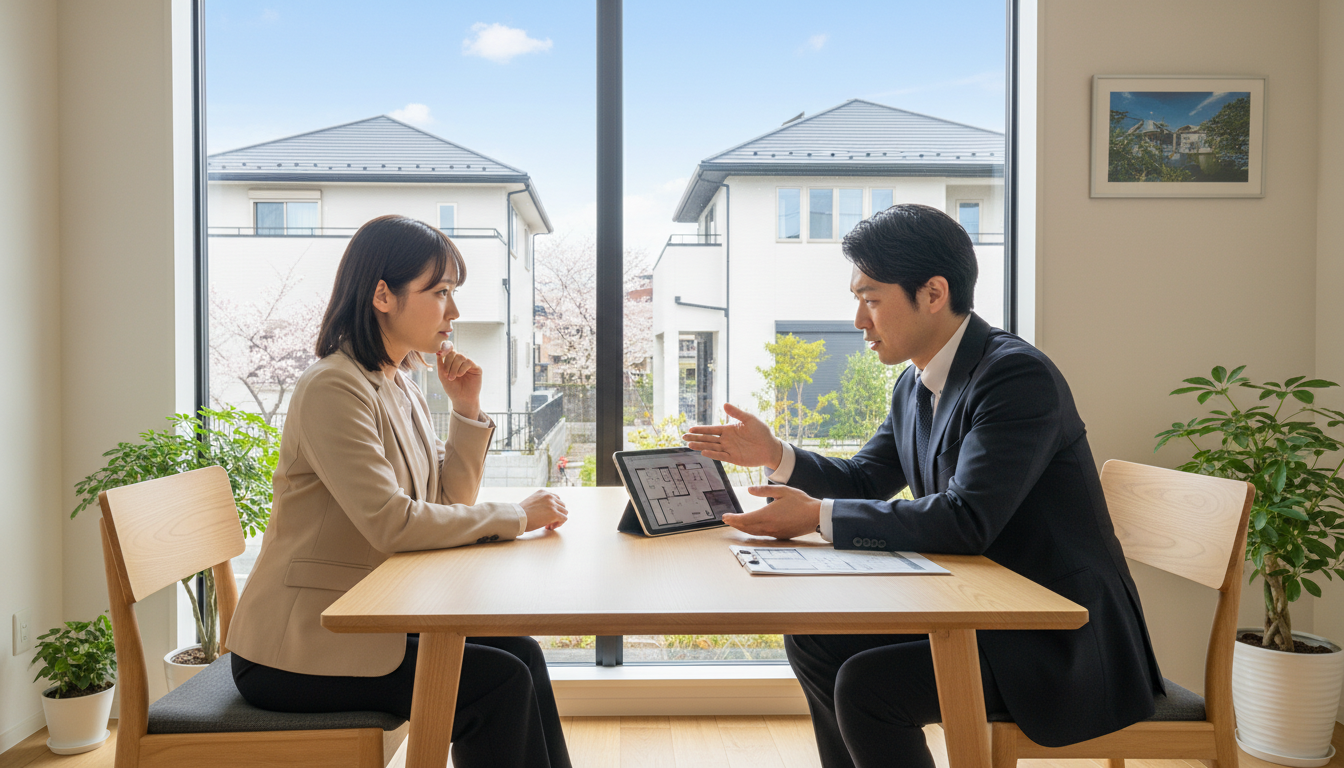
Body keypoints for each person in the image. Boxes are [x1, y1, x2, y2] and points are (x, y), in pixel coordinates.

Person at [683, 203, 1163, 768]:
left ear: (933, 293)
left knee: (870, 685)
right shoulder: (917, 382)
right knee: (812, 639)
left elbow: (965, 520)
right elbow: (866, 479)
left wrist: (816, 516)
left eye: (871, 300)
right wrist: (774, 454)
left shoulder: (1015, 377)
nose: (859, 321)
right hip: (977, 609)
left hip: (1058, 641)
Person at [226, 215, 572, 768]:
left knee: (521, 653)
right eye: (439, 293)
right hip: (296, 649)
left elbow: (446, 501)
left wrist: (464, 409)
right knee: (498, 682)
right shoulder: (334, 387)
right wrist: (516, 515)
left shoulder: (398, 380)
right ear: (383, 295)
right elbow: (392, 522)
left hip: (367, 620)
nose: (453, 312)